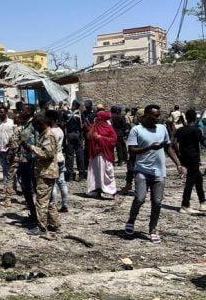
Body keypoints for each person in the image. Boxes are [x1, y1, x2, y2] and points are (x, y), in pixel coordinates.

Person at [125, 104, 183, 244]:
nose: (158, 118)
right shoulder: (136, 130)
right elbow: (131, 150)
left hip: (159, 172)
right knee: (139, 198)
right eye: (155, 116)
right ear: (146, 115)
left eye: (159, 115)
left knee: (157, 202)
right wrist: (149, 147)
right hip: (142, 170)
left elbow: (168, 147)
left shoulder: (162, 128)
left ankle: (152, 229)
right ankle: (131, 220)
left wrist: (178, 163)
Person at [22, 114, 60, 235]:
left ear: (40, 124)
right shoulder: (45, 135)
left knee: (41, 201)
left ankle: (41, 227)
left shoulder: (48, 135)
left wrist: (32, 148)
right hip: (46, 172)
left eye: (36, 126)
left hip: (46, 172)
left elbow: (48, 154)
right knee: (48, 201)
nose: (35, 129)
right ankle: (54, 223)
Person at [174, 109, 206, 214]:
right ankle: (185, 204)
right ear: (195, 118)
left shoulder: (180, 130)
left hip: (184, 157)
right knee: (190, 181)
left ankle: (202, 202)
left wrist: (178, 155)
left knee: (198, 179)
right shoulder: (196, 130)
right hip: (193, 157)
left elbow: (173, 144)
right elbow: (202, 142)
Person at [86, 110, 118, 199]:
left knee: (107, 172)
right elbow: (88, 136)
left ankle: (112, 191)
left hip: (105, 154)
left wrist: (101, 138)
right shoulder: (94, 126)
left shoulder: (108, 128)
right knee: (95, 173)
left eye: (99, 117)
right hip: (95, 154)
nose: (97, 118)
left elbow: (114, 140)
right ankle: (96, 190)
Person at [18, 104, 38, 225]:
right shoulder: (24, 124)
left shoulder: (34, 124)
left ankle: (40, 216)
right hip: (24, 160)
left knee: (36, 188)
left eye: (25, 110)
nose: (22, 111)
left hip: (33, 160)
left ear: (30, 112)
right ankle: (32, 213)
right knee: (26, 188)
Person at [47, 109, 69, 212]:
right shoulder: (60, 130)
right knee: (62, 182)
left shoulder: (51, 132)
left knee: (54, 184)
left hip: (54, 159)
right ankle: (65, 204)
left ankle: (54, 205)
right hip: (61, 157)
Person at [0, 105, 15, 190]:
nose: (0, 114)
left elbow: (15, 135)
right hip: (1, 149)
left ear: (6, 112)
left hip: (10, 149)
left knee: (12, 169)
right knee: (4, 169)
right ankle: (5, 186)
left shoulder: (11, 122)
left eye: (2, 112)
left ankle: (13, 187)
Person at [64, 100, 85, 181]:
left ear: (72, 104)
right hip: (78, 135)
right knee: (79, 154)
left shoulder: (66, 113)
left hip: (69, 135)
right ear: (78, 106)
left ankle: (69, 175)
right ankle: (81, 174)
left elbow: (62, 124)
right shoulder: (80, 113)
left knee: (69, 155)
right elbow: (83, 125)